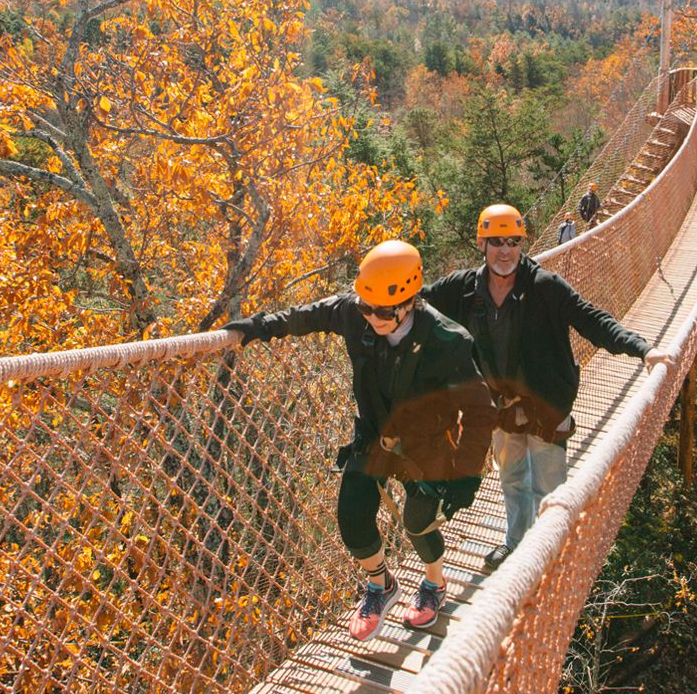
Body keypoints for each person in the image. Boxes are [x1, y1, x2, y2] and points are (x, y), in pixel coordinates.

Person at [225, 240, 494, 639]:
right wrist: (258, 327)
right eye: (365, 307)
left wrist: (465, 479)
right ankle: (380, 586)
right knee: (352, 519)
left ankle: (435, 584)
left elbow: (480, 411)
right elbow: (308, 316)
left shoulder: (446, 341)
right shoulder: (357, 311)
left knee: (418, 523)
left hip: (428, 444)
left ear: (410, 301)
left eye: (382, 312)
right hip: (375, 436)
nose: (370, 318)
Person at [423, 204, 651, 571]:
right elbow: (414, 305)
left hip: (546, 405)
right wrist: (366, 309)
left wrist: (641, 348)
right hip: (499, 406)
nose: (506, 250)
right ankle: (516, 546)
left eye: (513, 242)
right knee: (512, 479)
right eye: (497, 241)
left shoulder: (545, 287)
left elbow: (590, 319)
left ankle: (552, 560)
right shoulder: (464, 290)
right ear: (482, 243)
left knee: (549, 489)